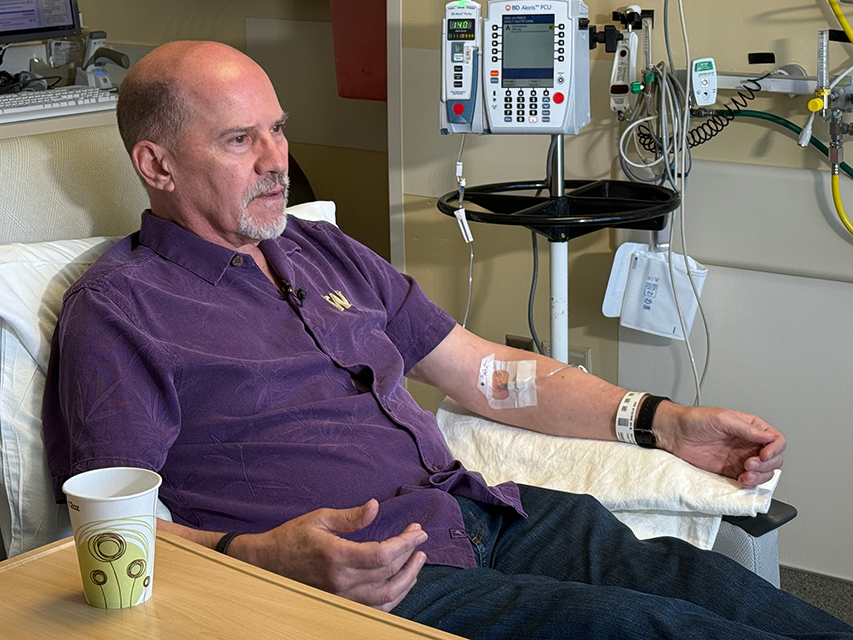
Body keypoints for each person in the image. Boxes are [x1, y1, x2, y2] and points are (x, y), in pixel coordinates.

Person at [41, 41, 852, 639]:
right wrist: (260, 556)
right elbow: (107, 528)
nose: (277, 161)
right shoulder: (120, 314)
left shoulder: (320, 250)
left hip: (487, 515)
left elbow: (490, 374)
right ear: (157, 164)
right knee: (662, 629)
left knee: (723, 595)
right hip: (369, 583)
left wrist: (664, 421)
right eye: (237, 140)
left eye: (278, 130)